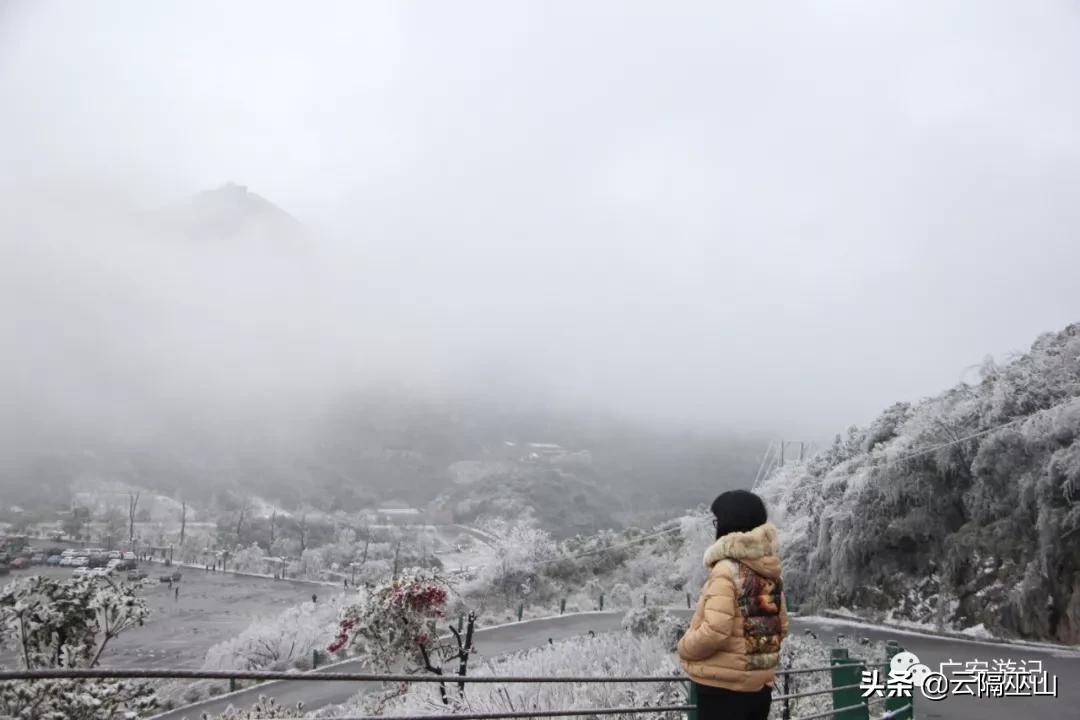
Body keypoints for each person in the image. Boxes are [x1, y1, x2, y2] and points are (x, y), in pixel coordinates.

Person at [677, 490, 789, 720]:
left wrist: (685, 646)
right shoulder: (768, 572)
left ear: (728, 522)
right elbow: (781, 627)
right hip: (758, 689)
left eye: (716, 521)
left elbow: (715, 631)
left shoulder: (726, 570)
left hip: (723, 690)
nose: (714, 526)